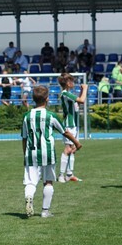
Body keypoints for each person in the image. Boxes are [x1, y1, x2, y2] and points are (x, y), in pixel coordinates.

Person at [22, 85, 82, 218]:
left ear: (33, 99)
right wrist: (77, 142)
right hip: (47, 152)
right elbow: (64, 131)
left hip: (31, 153)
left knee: (31, 181)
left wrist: (24, 155)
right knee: (48, 181)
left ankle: (29, 197)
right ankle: (45, 211)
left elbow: (24, 138)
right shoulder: (51, 115)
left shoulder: (26, 117)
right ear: (47, 99)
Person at [56, 73, 87, 182]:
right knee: (68, 148)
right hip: (68, 125)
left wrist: (82, 91)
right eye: (71, 81)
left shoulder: (69, 94)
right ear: (67, 83)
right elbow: (82, 100)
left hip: (74, 124)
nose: (73, 83)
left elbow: (78, 103)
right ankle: (61, 175)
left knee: (73, 149)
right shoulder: (65, 94)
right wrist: (86, 89)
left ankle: (69, 174)